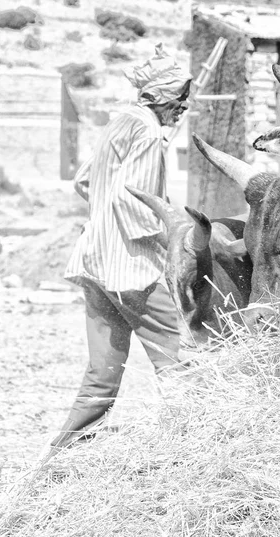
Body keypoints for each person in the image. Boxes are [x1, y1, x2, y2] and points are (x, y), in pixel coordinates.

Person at [51, 44, 191, 449]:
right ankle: (195, 451)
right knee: (180, 361)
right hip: (131, 269)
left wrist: (103, 224)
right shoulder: (148, 130)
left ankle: (57, 460)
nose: (183, 107)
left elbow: (83, 181)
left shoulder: (119, 122)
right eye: (180, 98)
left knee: (102, 374)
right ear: (160, 95)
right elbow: (134, 202)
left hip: (95, 262)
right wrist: (171, 239)